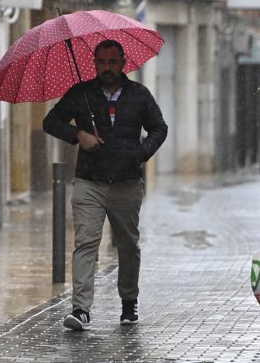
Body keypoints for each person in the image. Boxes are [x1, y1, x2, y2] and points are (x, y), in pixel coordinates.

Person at [43, 39, 168, 331]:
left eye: (112, 62)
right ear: (94, 63)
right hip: (89, 181)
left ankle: (128, 302)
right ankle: (81, 309)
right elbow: (51, 122)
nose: (107, 68)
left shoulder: (139, 95)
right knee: (86, 242)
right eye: (101, 62)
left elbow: (159, 128)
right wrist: (79, 135)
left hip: (126, 182)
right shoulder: (81, 94)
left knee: (128, 245)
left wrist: (140, 152)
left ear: (123, 63)